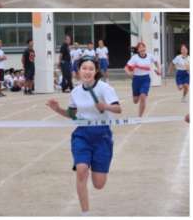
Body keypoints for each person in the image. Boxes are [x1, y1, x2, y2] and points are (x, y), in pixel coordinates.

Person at [46, 57, 121, 216]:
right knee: (81, 170)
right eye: (84, 68)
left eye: (91, 69)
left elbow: (118, 109)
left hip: (102, 136)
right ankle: (85, 214)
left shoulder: (105, 88)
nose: (87, 71)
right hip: (82, 135)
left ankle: (95, 164)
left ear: (96, 71)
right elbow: (72, 115)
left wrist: (105, 106)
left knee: (99, 184)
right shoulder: (75, 92)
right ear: (78, 71)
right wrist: (57, 109)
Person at [125, 42, 161, 117]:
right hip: (136, 79)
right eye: (140, 48)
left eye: (143, 47)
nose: (142, 49)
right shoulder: (134, 58)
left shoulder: (150, 56)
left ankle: (140, 117)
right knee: (135, 101)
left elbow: (156, 62)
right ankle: (137, 96)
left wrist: (158, 69)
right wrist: (129, 73)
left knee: (143, 96)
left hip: (146, 79)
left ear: (145, 48)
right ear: (138, 50)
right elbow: (126, 68)